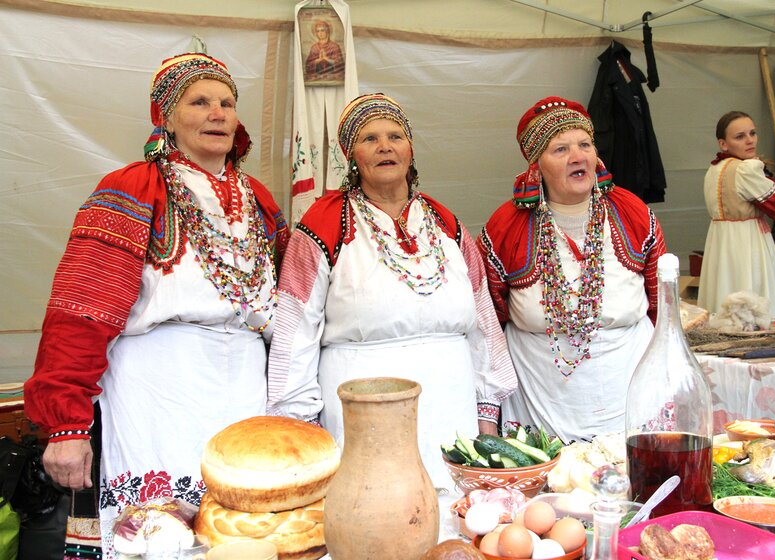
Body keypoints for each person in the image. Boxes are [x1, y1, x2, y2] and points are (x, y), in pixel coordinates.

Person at [23, 52, 289, 555]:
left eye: (227, 103)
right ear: (166, 117)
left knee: (244, 529)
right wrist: (67, 423)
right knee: (159, 534)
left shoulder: (259, 199)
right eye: (200, 102)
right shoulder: (132, 187)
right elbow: (83, 307)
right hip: (158, 385)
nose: (218, 113)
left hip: (247, 384)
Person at [267, 93, 517, 489]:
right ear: (351, 155)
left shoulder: (445, 223)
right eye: (369, 138)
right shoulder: (324, 222)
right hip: (365, 406)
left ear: (411, 149)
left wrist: (487, 417)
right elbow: (295, 329)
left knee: (456, 522)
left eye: (395, 136)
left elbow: (483, 324)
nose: (385, 146)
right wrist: (302, 427)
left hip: (452, 404)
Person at [478, 96, 667, 444]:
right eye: (561, 149)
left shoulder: (633, 213)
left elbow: (661, 303)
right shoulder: (505, 227)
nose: (578, 156)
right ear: (537, 166)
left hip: (628, 386)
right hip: (541, 396)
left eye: (585, 144)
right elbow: (491, 315)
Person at [697, 111, 775, 321]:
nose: (750, 140)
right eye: (740, 137)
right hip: (747, 241)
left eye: (752, 133)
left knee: (725, 286)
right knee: (749, 287)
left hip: (721, 241)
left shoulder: (714, 169)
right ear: (723, 144)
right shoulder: (746, 170)